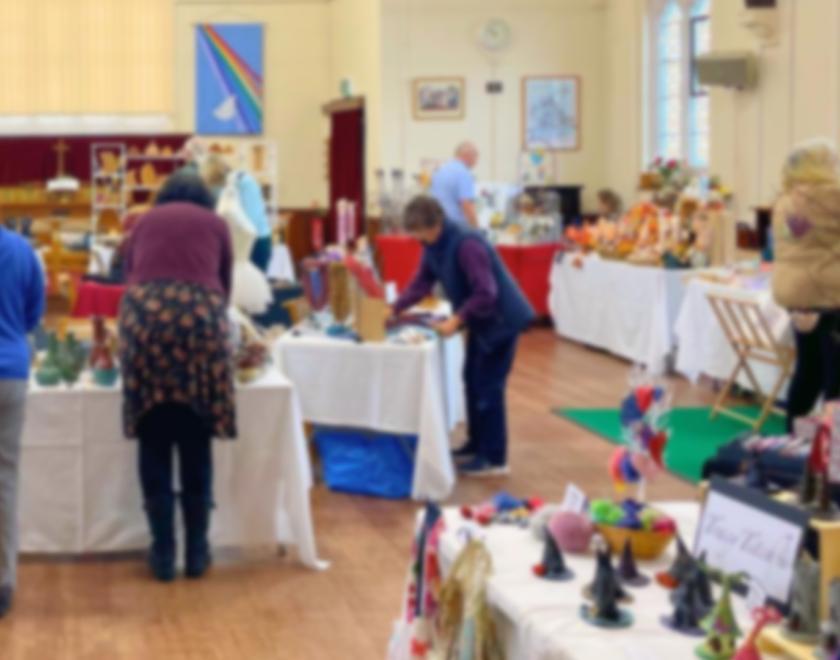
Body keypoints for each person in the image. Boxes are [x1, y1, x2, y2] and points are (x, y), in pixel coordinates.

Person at [120, 171, 235, 582]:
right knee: (195, 437)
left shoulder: (145, 221)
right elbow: (225, 286)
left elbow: (128, 272)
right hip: (201, 325)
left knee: (153, 437)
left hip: (146, 322)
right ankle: (198, 552)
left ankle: (163, 552)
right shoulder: (216, 223)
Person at [393, 196, 534, 476]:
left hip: (501, 320)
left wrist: (456, 320)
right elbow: (422, 282)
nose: (417, 238)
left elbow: (487, 293)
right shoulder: (432, 244)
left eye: (420, 231)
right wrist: (393, 308)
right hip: (483, 321)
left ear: (436, 224)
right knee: (471, 381)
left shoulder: (467, 243)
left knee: (488, 387)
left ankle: (494, 458)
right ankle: (476, 445)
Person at [771, 139, 840, 428]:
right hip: (828, 294)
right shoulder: (831, 197)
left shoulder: (785, 201)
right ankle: (834, 451)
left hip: (795, 295)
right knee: (835, 376)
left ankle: (794, 437)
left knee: (807, 370)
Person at [0, 226, 45, 616]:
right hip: (10, 371)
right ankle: (2, 581)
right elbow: (34, 313)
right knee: (5, 479)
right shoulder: (19, 248)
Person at [202, 155, 273, 273]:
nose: (213, 189)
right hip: (237, 243)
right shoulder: (223, 187)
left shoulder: (245, 183)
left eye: (213, 182)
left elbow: (252, 222)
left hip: (257, 243)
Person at [429, 142, 480, 228]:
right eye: (475, 155)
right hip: (456, 227)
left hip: (437, 225)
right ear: (467, 155)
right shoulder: (464, 173)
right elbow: (467, 205)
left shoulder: (440, 171)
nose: (477, 160)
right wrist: (476, 230)